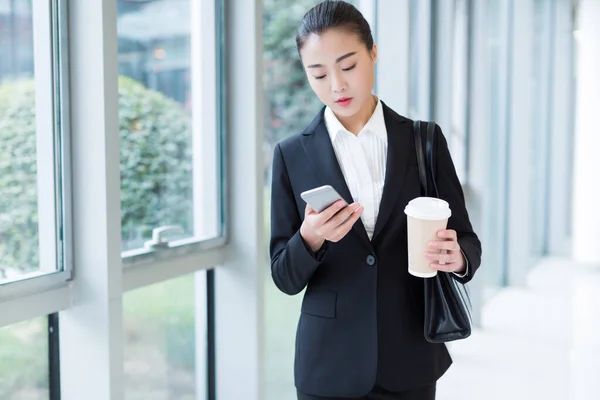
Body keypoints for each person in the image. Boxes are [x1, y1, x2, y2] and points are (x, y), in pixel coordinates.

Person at [269, 1, 482, 399]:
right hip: (328, 365)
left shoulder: (423, 140)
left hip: (409, 357)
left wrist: (458, 257)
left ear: (373, 52)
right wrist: (311, 238)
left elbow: (466, 239)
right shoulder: (291, 155)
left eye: (348, 66)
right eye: (318, 74)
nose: (336, 85)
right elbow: (283, 275)